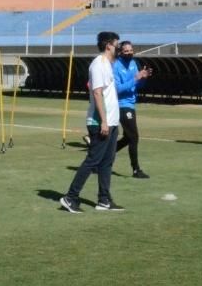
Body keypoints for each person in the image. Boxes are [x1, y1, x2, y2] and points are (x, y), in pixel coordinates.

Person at [60, 31, 124, 213]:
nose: (118, 48)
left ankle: (104, 200)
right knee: (93, 160)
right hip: (99, 122)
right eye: (116, 44)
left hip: (111, 122)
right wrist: (104, 121)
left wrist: (111, 121)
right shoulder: (98, 64)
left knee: (107, 162)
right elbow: (97, 93)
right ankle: (70, 197)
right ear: (108, 45)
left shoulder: (110, 65)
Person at [114, 40, 153, 178]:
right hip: (121, 105)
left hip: (131, 104)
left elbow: (138, 85)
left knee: (127, 137)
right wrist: (136, 78)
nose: (129, 53)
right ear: (120, 52)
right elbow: (117, 89)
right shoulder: (116, 66)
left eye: (131, 50)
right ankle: (136, 169)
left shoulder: (133, 63)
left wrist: (144, 77)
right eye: (126, 51)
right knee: (134, 137)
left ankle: (104, 157)